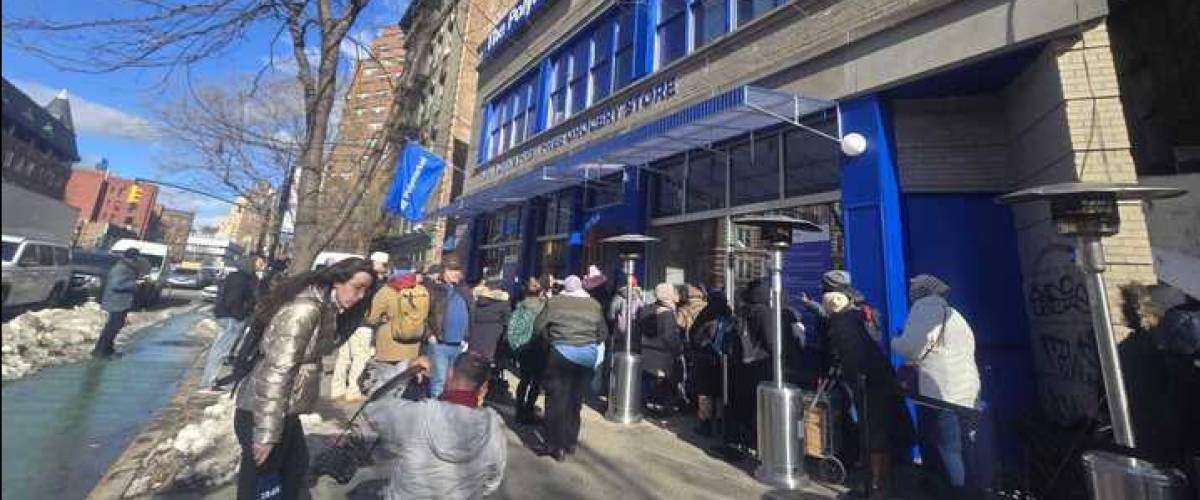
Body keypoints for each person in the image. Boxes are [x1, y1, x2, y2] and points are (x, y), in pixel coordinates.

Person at [234, 257, 376, 500]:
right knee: (262, 486)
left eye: (366, 290)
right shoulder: (306, 309)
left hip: (284, 410)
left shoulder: (326, 308)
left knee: (295, 468)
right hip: (262, 410)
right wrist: (266, 434)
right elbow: (277, 370)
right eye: (357, 287)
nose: (361, 295)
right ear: (337, 281)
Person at [363, 353, 507, 500]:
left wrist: (405, 369)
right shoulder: (493, 429)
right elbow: (492, 481)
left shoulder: (418, 415)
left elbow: (373, 407)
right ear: (484, 388)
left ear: (450, 374)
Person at [823, 282, 915, 499]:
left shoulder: (842, 323)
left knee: (874, 435)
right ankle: (882, 484)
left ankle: (875, 487)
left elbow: (852, 359)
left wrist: (851, 377)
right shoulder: (863, 315)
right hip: (881, 380)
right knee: (881, 433)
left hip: (867, 386)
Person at [892, 274, 980, 496]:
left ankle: (954, 491)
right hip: (965, 391)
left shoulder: (925, 309)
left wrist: (895, 341)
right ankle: (961, 487)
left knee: (945, 446)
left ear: (921, 292)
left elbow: (912, 348)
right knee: (959, 446)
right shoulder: (955, 314)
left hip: (939, 392)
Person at [532, 275, 609, 461]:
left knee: (556, 400)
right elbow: (603, 333)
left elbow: (538, 326)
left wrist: (551, 339)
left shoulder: (555, 302)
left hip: (560, 354)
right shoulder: (594, 305)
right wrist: (588, 342)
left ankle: (554, 445)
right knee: (575, 401)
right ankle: (570, 442)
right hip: (585, 358)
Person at [202, 254, 264, 391]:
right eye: (260, 262)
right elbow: (233, 300)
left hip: (231, 316)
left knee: (221, 349)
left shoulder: (242, 277)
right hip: (231, 318)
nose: (262, 264)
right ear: (251, 263)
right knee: (220, 350)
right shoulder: (240, 279)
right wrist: (240, 316)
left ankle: (210, 380)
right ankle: (209, 382)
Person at [424, 255, 475, 398]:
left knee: (453, 383)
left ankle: (447, 412)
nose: (455, 273)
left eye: (458, 270)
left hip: (460, 344)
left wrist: (468, 337)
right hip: (440, 344)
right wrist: (429, 335)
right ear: (442, 271)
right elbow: (424, 315)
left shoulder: (465, 291)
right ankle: (434, 414)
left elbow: (472, 315)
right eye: (451, 270)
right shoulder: (434, 290)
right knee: (438, 382)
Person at [688, 288, 733, 437]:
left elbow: (694, 335)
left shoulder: (707, 314)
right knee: (720, 393)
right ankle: (720, 423)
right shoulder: (729, 314)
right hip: (724, 361)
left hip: (706, 359)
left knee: (705, 393)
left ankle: (705, 425)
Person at [638, 283, 685, 414]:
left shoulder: (645, 309)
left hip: (646, 351)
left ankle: (646, 405)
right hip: (662, 354)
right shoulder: (668, 313)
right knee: (663, 382)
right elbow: (669, 337)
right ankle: (660, 408)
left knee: (647, 379)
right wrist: (678, 349)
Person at [365, 271, 430, 366]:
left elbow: (372, 319)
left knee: (388, 378)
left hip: (388, 348)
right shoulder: (421, 291)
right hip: (413, 347)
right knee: (406, 378)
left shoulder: (385, 292)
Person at [509, 277, 548, 424]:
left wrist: (516, 346)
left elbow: (511, 329)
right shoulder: (545, 308)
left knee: (524, 379)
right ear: (540, 293)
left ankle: (519, 411)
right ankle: (529, 409)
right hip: (539, 348)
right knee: (536, 382)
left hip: (523, 348)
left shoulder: (520, 308)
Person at [92, 248, 143, 358]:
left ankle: (108, 348)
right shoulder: (121, 269)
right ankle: (101, 350)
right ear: (133, 258)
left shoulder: (127, 267)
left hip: (121, 302)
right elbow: (116, 285)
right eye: (136, 258)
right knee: (112, 326)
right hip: (116, 302)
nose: (137, 261)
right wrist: (134, 285)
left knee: (116, 325)